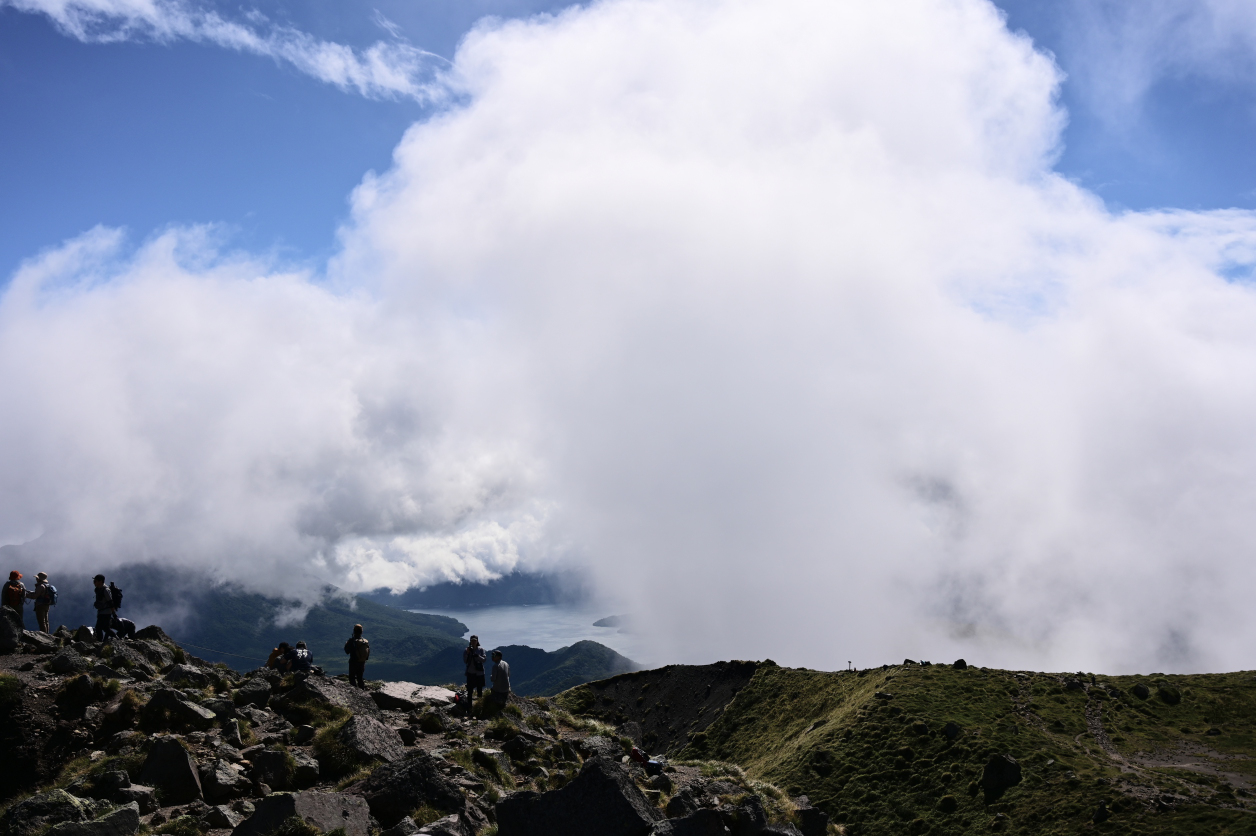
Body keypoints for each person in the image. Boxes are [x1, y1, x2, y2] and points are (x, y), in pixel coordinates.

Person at [464, 635, 487, 711]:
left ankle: (479, 707)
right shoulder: (467, 650)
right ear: (470, 641)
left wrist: (478, 656)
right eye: (472, 640)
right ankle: (469, 707)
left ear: (477, 641)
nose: (473, 642)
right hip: (471, 673)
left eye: (475, 640)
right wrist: (467, 653)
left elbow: (484, 660)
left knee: (479, 690)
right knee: (469, 690)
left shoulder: (481, 650)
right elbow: (465, 661)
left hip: (479, 673)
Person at [344, 624, 370, 689]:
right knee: (360, 678)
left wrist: (347, 644)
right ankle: (362, 692)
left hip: (353, 662)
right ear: (361, 631)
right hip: (362, 662)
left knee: (352, 678)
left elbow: (347, 651)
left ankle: (355, 694)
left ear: (354, 631)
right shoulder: (365, 641)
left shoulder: (352, 641)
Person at [92, 574, 117, 643]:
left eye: (95, 581)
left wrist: (114, 613)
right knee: (105, 628)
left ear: (100, 581)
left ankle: (100, 642)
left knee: (99, 628)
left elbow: (110, 602)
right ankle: (116, 639)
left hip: (106, 612)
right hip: (101, 612)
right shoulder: (98, 589)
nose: (94, 582)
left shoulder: (106, 590)